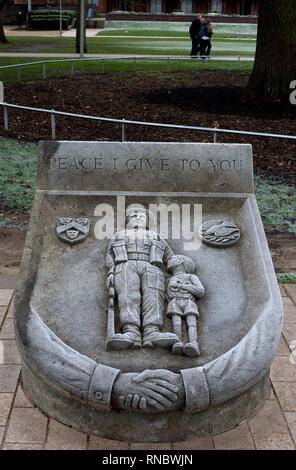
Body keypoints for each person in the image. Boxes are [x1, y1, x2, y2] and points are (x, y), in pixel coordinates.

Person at [106, 207, 179, 350]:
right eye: (133, 215)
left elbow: (170, 257)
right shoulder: (120, 234)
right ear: (127, 220)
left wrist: (180, 272)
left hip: (151, 265)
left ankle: (152, 332)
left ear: (147, 221)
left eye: (141, 215)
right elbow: (109, 254)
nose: (137, 217)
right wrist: (111, 270)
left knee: (153, 296)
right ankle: (131, 332)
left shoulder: (155, 235)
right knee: (128, 296)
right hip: (126, 265)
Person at [166, 255, 205, 357]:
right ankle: (178, 342)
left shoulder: (191, 277)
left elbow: (200, 291)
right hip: (175, 302)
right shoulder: (168, 280)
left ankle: (193, 343)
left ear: (181, 262)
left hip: (188, 302)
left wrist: (182, 286)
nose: (169, 260)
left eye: (173, 258)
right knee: (176, 323)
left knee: (191, 323)